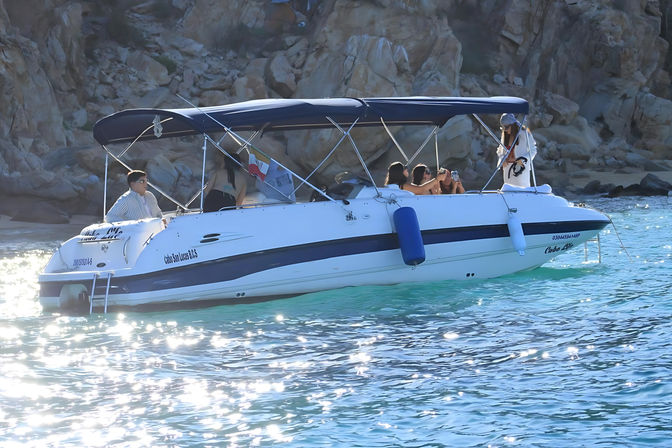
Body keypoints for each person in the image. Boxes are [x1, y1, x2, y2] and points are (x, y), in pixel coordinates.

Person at [497, 113, 537, 187]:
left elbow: (533, 149)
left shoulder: (524, 133)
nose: (505, 129)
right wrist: (502, 159)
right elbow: (499, 150)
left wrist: (523, 160)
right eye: (503, 127)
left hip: (520, 168)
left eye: (506, 127)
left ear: (513, 125)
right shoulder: (505, 134)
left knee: (522, 191)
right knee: (508, 191)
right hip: (507, 169)